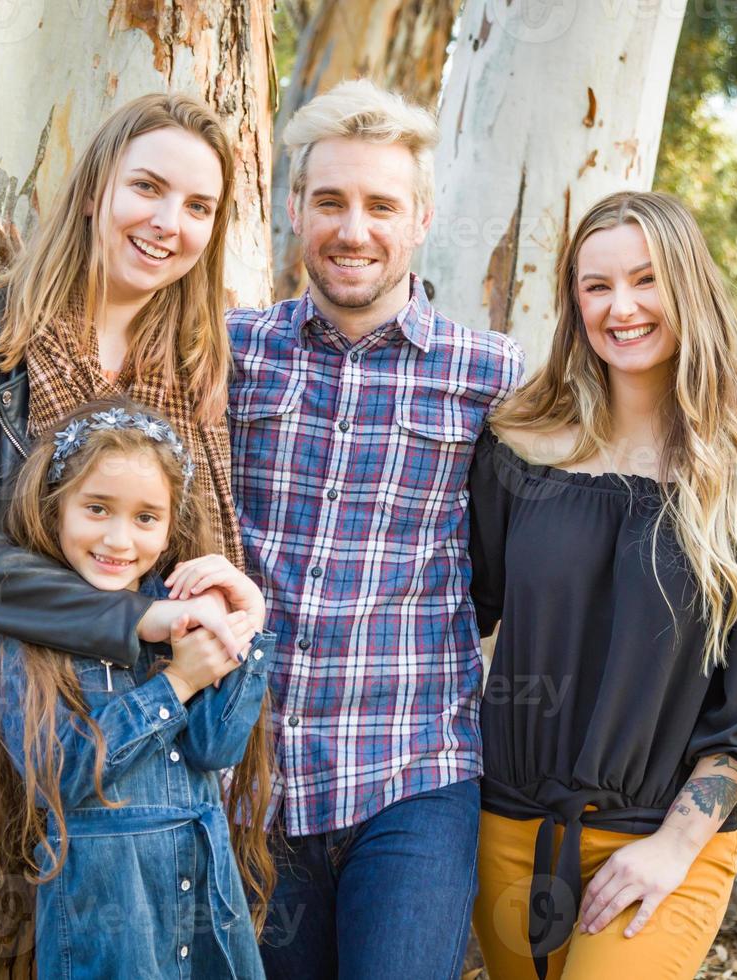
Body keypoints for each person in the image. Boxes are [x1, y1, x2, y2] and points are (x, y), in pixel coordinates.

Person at [0, 93, 253, 978]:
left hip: (128, 763)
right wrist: (129, 621)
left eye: (199, 206)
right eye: (149, 186)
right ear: (98, 186)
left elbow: (200, 557)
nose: (168, 223)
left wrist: (230, 596)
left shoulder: (200, 368)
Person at [190, 80, 525, 979]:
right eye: (330, 201)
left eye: (382, 205)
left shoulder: (493, 377)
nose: (354, 229)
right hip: (251, 772)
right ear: (295, 208)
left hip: (414, 769)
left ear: (419, 220)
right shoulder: (226, 353)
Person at [466, 190, 737, 980]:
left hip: (664, 840)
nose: (621, 307)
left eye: (645, 279)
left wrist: (673, 846)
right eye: (596, 286)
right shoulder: (521, 443)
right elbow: (456, 613)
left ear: (687, 286)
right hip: (506, 826)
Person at [0, 399, 276, 978]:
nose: (120, 540)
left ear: (171, 524)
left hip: (201, 894)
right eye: (97, 508)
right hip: (107, 917)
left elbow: (213, 748)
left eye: (146, 517)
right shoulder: (28, 631)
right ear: (55, 509)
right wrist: (177, 682)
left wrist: (249, 618)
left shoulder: (176, 614)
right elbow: (61, 775)